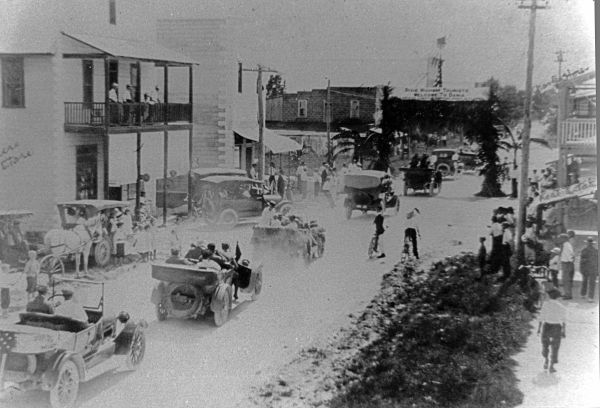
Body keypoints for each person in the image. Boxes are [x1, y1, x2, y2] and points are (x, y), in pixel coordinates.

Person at [537, 288, 567, 373]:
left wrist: (539, 329)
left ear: (549, 296)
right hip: (557, 327)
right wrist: (564, 331)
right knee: (555, 347)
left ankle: (546, 360)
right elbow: (564, 320)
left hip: (547, 326)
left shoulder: (545, 305)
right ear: (558, 297)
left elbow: (541, 317)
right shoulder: (562, 307)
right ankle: (552, 366)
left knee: (545, 344)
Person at [579, 237, 598, 302]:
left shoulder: (594, 251)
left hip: (590, 269)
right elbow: (581, 261)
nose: (589, 244)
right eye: (588, 243)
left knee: (589, 282)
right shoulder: (594, 251)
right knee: (586, 282)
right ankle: (585, 295)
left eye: (590, 243)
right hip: (589, 269)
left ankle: (588, 296)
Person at [559, 232, 575, 299]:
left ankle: (568, 295)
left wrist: (570, 262)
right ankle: (566, 293)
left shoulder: (566, 245)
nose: (560, 239)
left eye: (561, 238)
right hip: (565, 263)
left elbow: (571, 254)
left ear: (564, 239)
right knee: (565, 280)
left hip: (567, 264)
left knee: (566, 280)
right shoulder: (565, 244)